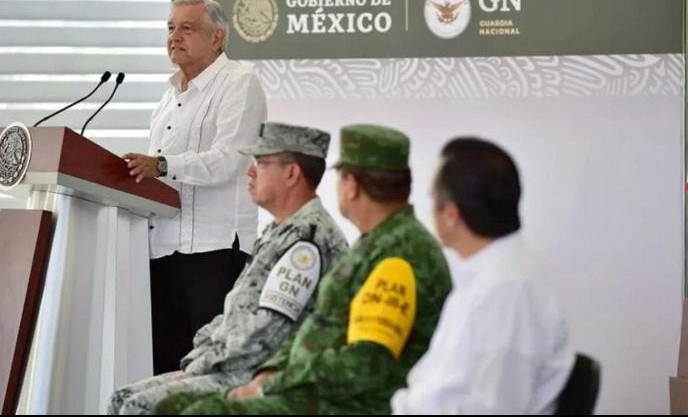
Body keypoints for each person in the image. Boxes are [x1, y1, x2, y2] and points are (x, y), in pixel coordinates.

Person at [157, 124, 451, 415]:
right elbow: (316, 333)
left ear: (352, 186)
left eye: (260, 162)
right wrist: (270, 375)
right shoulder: (375, 244)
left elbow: (364, 365)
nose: (251, 170)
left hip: (350, 403)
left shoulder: (398, 255)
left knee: (198, 411)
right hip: (316, 387)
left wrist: (272, 383)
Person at [108, 122, 347, 414]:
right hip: (232, 367)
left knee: (139, 407)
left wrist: (201, 365)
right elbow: (234, 313)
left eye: (261, 162)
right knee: (121, 398)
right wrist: (197, 358)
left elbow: (267, 332)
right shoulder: (279, 232)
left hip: (266, 377)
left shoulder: (307, 240)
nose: (250, 170)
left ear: (291, 173)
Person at [122, 0, 267, 374]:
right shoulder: (167, 100)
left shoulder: (240, 82)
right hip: (163, 252)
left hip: (215, 252)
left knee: (214, 372)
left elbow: (228, 161)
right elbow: (159, 178)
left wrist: (162, 164)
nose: (174, 36)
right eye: (170, 28)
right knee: (168, 372)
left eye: (188, 28)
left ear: (217, 37)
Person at [391, 137, 574, 414]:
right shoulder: (486, 276)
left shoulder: (508, 291)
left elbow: (494, 407)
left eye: (431, 196)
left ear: (452, 215)